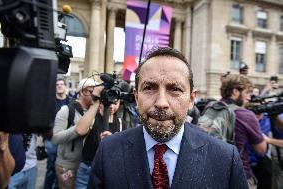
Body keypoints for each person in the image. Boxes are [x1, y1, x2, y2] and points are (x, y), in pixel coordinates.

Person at [88, 47, 248, 189]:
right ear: (136, 97)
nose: (161, 103)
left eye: (175, 89)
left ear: (192, 99)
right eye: (149, 88)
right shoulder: (108, 151)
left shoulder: (225, 159)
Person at [52, 78, 103, 189]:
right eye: (91, 91)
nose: (94, 95)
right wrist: (78, 129)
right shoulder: (66, 110)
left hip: (86, 165)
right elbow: (55, 138)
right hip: (67, 166)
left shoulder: (95, 111)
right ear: (81, 92)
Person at [220, 74, 268, 188]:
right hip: (240, 174)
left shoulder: (210, 106)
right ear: (236, 91)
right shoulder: (245, 114)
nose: (249, 98)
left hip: (215, 172)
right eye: (247, 93)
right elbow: (261, 150)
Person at [75, 100, 126, 189]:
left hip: (110, 170)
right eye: (107, 102)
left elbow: (124, 150)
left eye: (115, 103)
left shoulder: (121, 123)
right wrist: (97, 100)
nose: (111, 106)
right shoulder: (93, 118)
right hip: (88, 168)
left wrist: (113, 140)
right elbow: (79, 130)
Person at [43, 78, 72, 189]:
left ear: (65, 86)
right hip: (52, 139)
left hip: (66, 140)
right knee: (51, 167)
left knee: (63, 168)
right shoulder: (50, 102)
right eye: (57, 84)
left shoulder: (71, 102)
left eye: (61, 84)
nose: (59, 86)